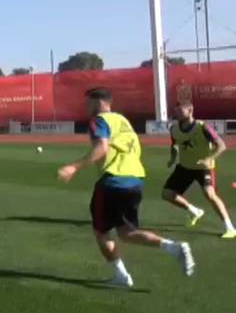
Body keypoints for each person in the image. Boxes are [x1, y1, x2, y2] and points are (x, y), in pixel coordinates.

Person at [57, 87, 195, 288]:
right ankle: (174, 248)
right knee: (126, 232)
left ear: (99, 102)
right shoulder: (122, 121)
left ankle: (121, 276)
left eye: (88, 102)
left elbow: (102, 147)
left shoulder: (99, 120)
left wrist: (74, 166)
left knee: (101, 232)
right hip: (135, 180)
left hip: (113, 182)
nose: (86, 106)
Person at [162, 101, 235, 239]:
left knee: (209, 194)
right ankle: (194, 211)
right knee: (167, 194)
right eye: (176, 110)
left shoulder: (203, 127)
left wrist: (209, 158)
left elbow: (222, 145)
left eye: (180, 110)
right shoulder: (174, 128)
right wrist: (172, 158)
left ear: (190, 111)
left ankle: (230, 228)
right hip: (184, 167)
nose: (177, 113)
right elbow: (174, 145)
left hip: (203, 167)